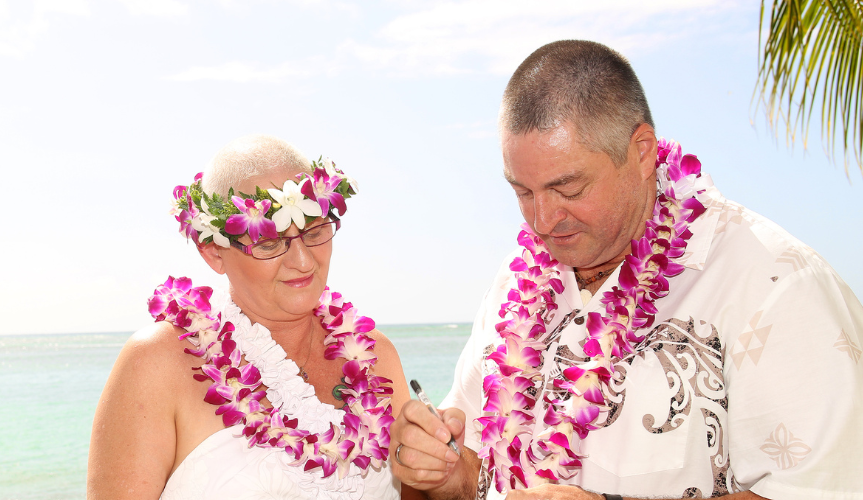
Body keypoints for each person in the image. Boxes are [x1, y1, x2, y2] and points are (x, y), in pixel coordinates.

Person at [389, 40, 863, 500]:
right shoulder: (516, 282)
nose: (542, 220)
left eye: (568, 189)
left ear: (641, 152)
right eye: (522, 192)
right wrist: (441, 475)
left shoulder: (777, 285)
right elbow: (477, 472)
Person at [87, 135, 419, 499]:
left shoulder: (375, 358)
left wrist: (443, 473)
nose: (304, 262)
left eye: (315, 231)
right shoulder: (157, 362)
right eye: (269, 243)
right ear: (214, 252)